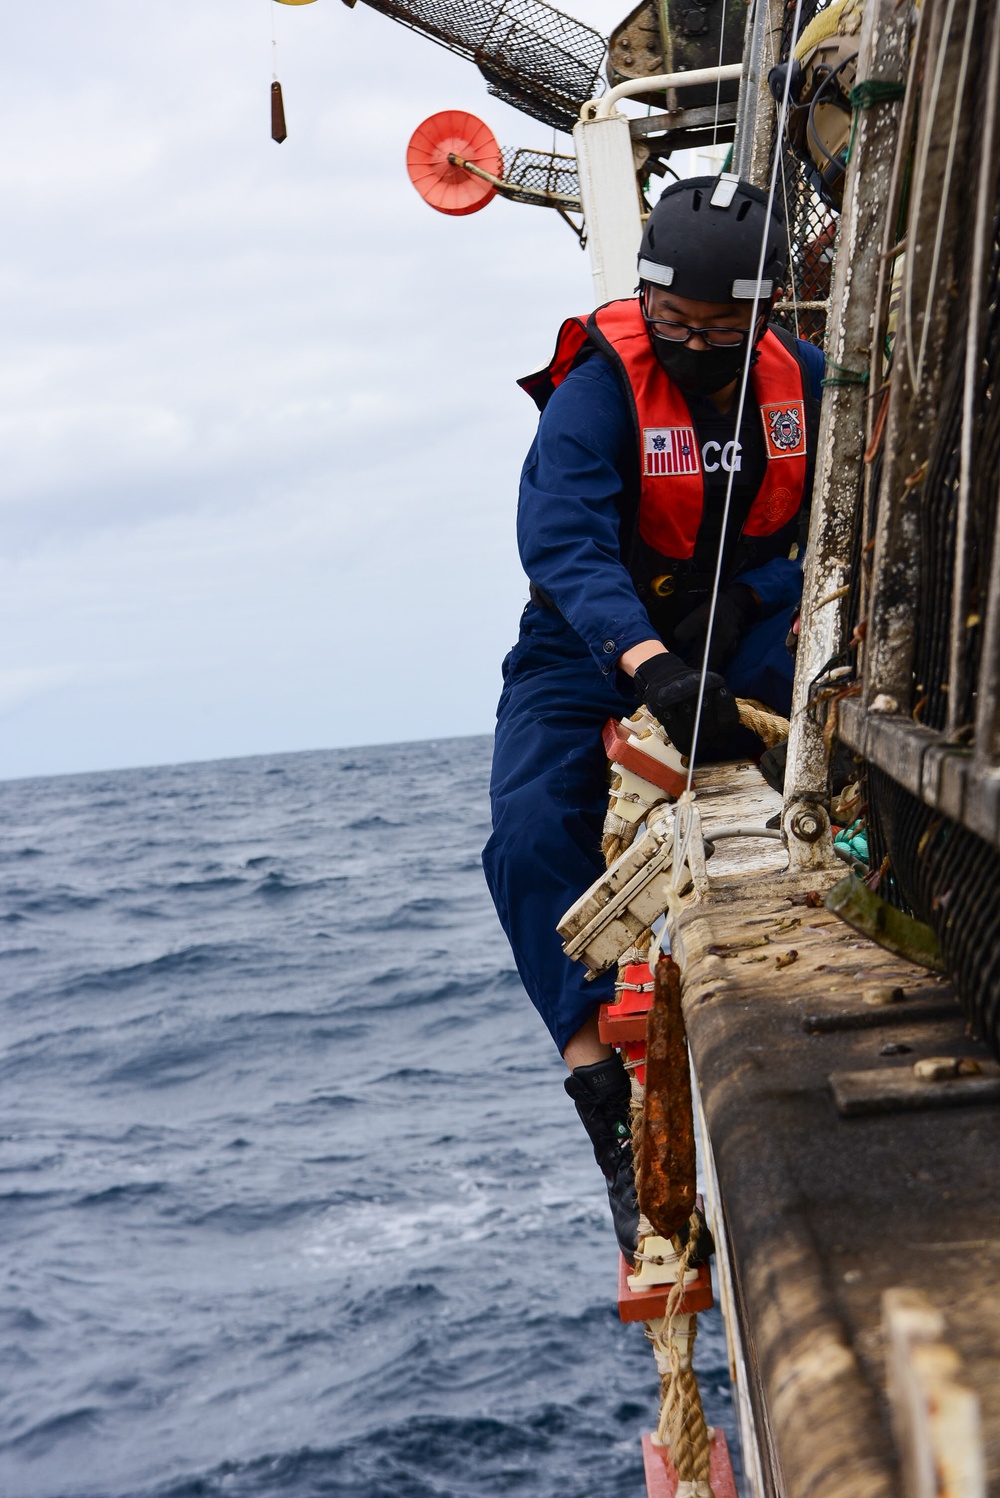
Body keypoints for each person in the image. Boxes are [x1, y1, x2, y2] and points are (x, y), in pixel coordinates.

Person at [482, 175, 825, 1262]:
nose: (685, 341)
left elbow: (839, 523)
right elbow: (566, 542)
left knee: (825, 771)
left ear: (764, 316)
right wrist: (648, 666)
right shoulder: (600, 386)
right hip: (597, 638)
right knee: (530, 832)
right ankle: (606, 1109)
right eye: (667, 320)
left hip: (748, 621)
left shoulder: (804, 381)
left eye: (714, 329)